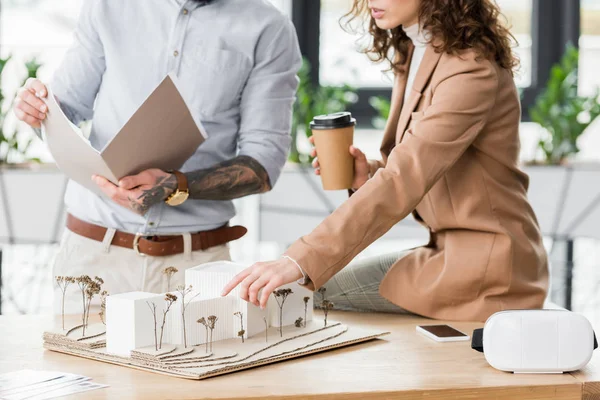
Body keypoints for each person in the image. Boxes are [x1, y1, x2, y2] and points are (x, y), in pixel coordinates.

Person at [223, 0, 549, 322]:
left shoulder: (470, 68)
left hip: (489, 266)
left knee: (301, 289)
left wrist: (297, 260)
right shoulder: (415, 49)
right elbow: (415, 168)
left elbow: (403, 178)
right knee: (306, 288)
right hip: (448, 255)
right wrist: (367, 175)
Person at [13, 0, 302, 313]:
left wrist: (173, 185)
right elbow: (66, 108)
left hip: (197, 269)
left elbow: (263, 165)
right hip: (93, 258)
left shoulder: (269, 28)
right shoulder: (108, 7)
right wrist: (39, 111)